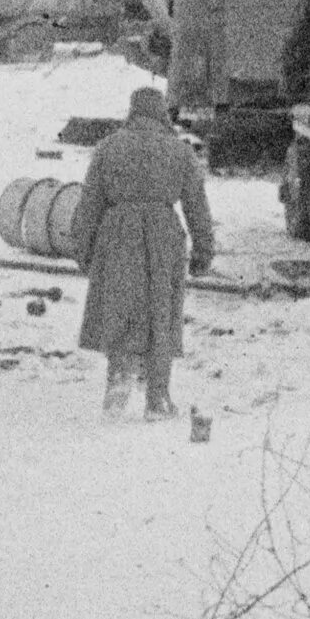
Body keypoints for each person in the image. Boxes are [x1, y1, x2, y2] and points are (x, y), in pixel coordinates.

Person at [70, 86, 216, 418]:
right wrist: (203, 251)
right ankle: (158, 397)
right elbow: (197, 207)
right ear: (162, 113)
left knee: (121, 305)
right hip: (164, 236)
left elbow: (90, 203)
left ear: (132, 112)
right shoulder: (179, 152)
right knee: (161, 313)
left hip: (118, 234)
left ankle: (119, 379)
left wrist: (83, 249)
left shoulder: (108, 148)